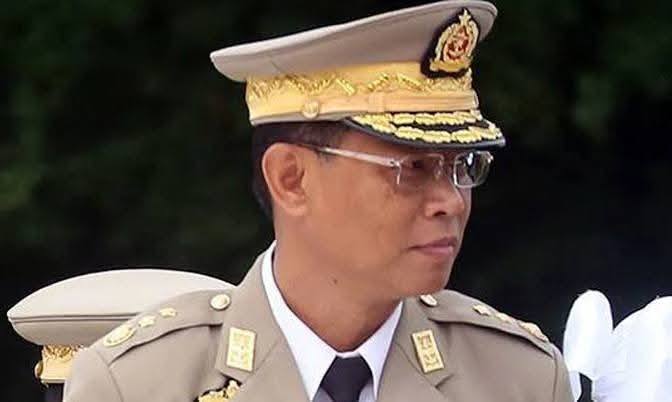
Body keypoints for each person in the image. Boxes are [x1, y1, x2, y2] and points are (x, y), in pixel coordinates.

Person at [64, 1, 574, 401]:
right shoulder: (138, 385)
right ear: (291, 179)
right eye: (412, 168)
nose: (450, 202)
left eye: (462, 166)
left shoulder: (518, 379)